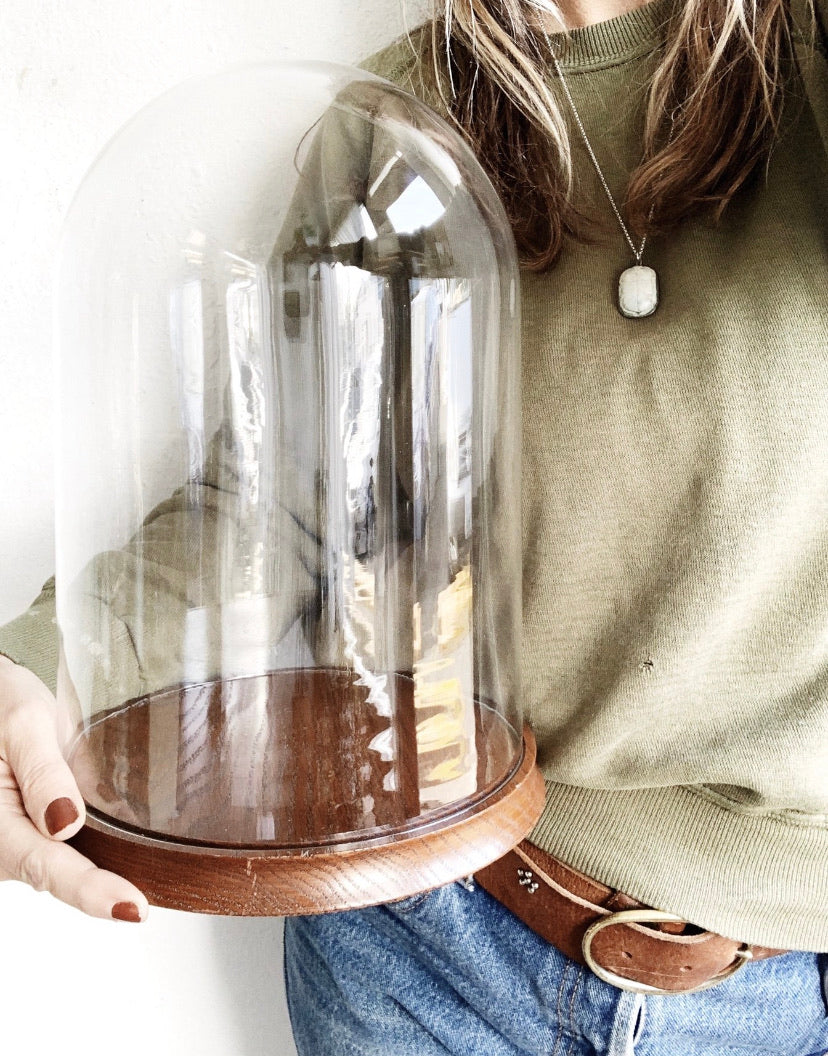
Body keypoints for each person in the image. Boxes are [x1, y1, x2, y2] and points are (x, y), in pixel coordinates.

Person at [1, 0, 827, 1052]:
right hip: (423, 944)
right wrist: (38, 664)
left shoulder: (807, 66)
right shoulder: (393, 127)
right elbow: (274, 507)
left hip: (773, 987)